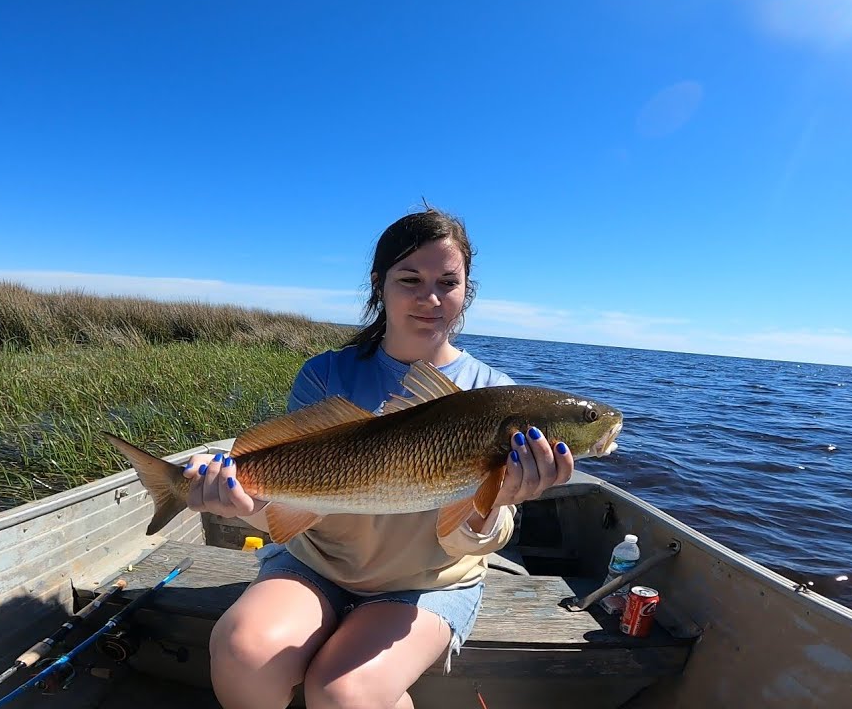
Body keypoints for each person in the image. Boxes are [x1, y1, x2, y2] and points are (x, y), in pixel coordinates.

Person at [178, 206, 574, 709]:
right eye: (410, 279)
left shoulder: (495, 392)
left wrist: (495, 500)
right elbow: (286, 506)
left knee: (345, 692)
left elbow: (471, 542)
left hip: (427, 583)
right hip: (317, 565)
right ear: (379, 284)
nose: (430, 298)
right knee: (242, 652)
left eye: (447, 282)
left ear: (466, 291)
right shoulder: (325, 375)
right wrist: (235, 501)